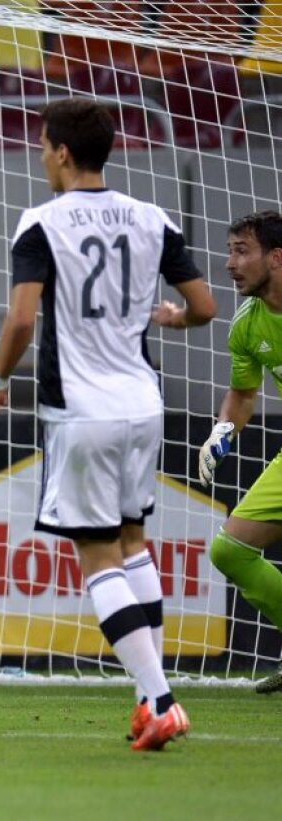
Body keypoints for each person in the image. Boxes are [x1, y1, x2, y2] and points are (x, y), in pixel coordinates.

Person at [0, 99, 216, 750]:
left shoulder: (41, 223)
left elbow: (23, 320)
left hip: (82, 410)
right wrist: (172, 319)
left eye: (42, 146)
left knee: (98, 554)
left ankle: (161, 700)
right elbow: (204, 304)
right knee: (134, 541)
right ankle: (150, 697)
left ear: (59, 151)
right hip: (143, 403)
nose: (41, 157)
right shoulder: (151, 217)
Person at [195, 209, 282, 695]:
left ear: (276, 256)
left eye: (241, 251)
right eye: (229, 251)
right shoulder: (247, 324)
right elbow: (244, 394)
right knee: (231, 549)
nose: (230, 263)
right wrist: (222, 432)